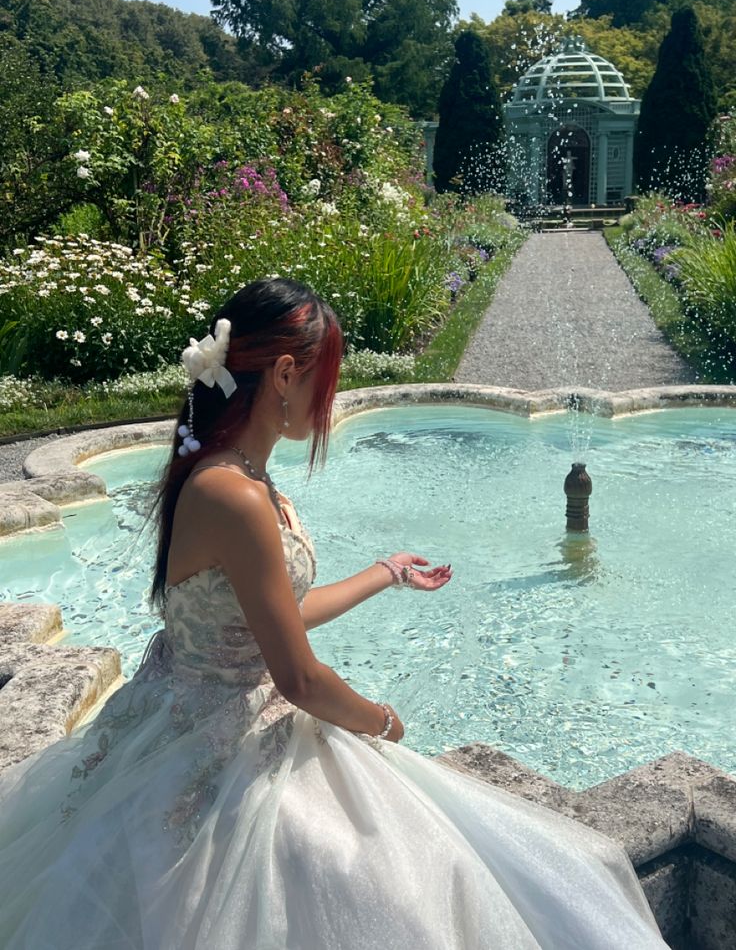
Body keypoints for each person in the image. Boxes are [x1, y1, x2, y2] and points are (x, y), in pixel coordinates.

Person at [0, 278, 668, 949]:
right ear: (285, 374)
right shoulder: (236, 495)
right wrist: (382, 720)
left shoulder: (232, 473)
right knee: (415, 876)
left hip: (195, 718)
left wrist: (386, 572)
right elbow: (299, 678)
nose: (331, 401)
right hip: (222, 749)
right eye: (328, 380)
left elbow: (268, 616)